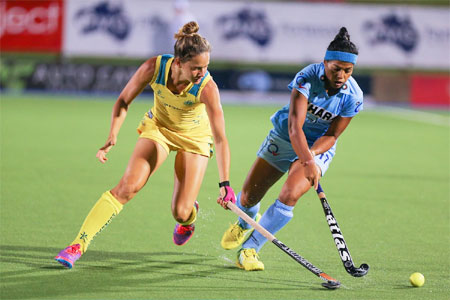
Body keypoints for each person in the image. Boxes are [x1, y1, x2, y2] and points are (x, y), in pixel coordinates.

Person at [55, 21, 236, 269]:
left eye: (205, 67)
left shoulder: (207, 88)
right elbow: (123, 100)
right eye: (196, 68)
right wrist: (113, 134)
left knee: (180, 212)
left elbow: (221, 137)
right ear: (179, 62)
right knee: (127, 188)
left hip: (194, 139)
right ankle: (78, 245)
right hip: (159, 129)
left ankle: (188, 217)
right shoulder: (155, 67)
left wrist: (225, 183)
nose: (202, 73)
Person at [218, 27, 363, 271]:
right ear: (325, 62)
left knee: (290, 195)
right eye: (336, 68)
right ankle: (245, 221)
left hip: (318, 147)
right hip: (286, 137)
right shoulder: (307, 77)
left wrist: (312, 158)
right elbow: (295, 127)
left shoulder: (353, 96)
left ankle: (250, 249)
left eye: (347, 71)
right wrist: (307, 161)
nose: (341, 75)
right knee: (249, 196)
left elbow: (332, 135)